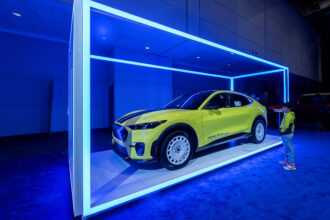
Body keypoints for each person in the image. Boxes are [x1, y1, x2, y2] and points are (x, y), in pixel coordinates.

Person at [279, 102, 296, 170]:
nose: (283, 108)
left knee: (289, 149)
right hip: (287, 134)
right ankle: (287, 161)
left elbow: (286, 126)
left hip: (286, 134)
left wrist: (281, 131)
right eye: (282, 107)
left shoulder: (288, 115)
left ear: (289, 109)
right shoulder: (288, 114)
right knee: (287, 148)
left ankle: (292, 165)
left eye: (284, 107)